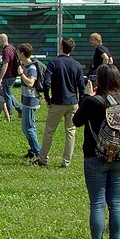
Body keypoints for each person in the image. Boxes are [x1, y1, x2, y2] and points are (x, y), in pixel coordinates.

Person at [73, 64, 120, 239]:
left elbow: (76, 121)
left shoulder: (93, 101)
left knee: (97, 204)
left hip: (95, 156)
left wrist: (86, 96)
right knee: (116, 203)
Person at [39, 37, 88, 168]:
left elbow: (46, 82)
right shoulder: (76, 65)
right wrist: (81, 101)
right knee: (70, 131)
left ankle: (43, 158)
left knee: (49, 130)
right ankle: (66, 161)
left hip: (57, 102)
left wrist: (47, 98)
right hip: (72, 102)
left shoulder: (53, 63)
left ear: (61, 47)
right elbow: (81, 86)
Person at [17, 44, 43, 163]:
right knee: (26, 127)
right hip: (26, 99)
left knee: (29, 128)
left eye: (18, 51)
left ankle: (38, 152)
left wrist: (21, 74)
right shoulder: (25, 65)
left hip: (31, 100)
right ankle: (33, 150)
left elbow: (31, 83)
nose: (17, 53)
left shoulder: (31, 67)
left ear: (22, 53)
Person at [0, 33, 18, 120]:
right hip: (13, 74)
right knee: (8, 93)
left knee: (7, 95)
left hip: (8, 75)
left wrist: (0, 78)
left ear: (3, 40)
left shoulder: (6, 50)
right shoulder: (12, 48)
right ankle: (19, 108)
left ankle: (10, 113)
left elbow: (5, 65)